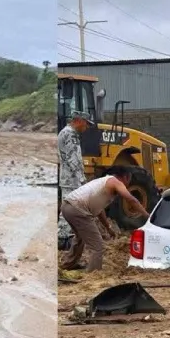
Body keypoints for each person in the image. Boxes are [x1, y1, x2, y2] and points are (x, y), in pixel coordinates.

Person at [59, 173, 147, 272]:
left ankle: (69, 264)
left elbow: (100, 210)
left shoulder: (102, 184)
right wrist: (147, 215)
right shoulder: (115, 182)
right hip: (78, 209)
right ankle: (94, 274)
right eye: (128, 183)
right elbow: (131, 199)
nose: (126, 186)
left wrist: (108, 227)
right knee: (97, 245)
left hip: (67, 207)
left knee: (80, 237)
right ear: (125, 178)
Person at [57, 110, 89, 249]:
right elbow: (73, 158)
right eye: (86, 124)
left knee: (68, 209)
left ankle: (65, 238)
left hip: (67, 178)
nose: (86, 127)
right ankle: (64, 239)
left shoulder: (64, 132)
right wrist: (82, 180)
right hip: (72, 180)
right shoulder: (70, 134)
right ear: (79, 121)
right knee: (70, 210)